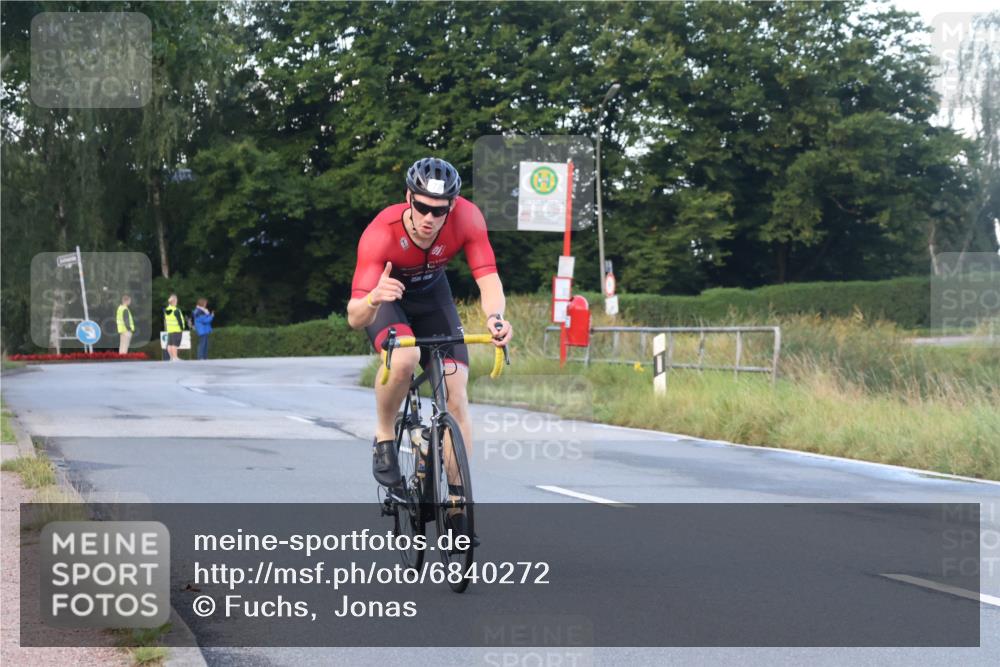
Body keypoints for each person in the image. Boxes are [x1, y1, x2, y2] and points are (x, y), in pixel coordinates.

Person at [346, 157, 513, 503]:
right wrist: (375, 297)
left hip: (434, 298)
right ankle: (384, 434)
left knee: (456, 394)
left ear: (452, 205)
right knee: (405, 357)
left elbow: (487, 276)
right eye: (422, 207)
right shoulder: (381, 232)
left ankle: (456, 500)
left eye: (438, 211)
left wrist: (496, 317)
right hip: (388, 298)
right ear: (409, 197)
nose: (429, 218)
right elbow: (354, 316)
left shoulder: (468, 218)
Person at [163, 294, 187, 362]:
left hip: (170, 330)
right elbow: (179, 320)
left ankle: (171, 358)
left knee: (169, 344)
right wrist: (182, 328)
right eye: (176, 301)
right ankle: (175, 357)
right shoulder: (176, 310)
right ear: (174, 301)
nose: (177, 302)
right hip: (176, 329)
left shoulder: (166, 310)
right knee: (174, 344)